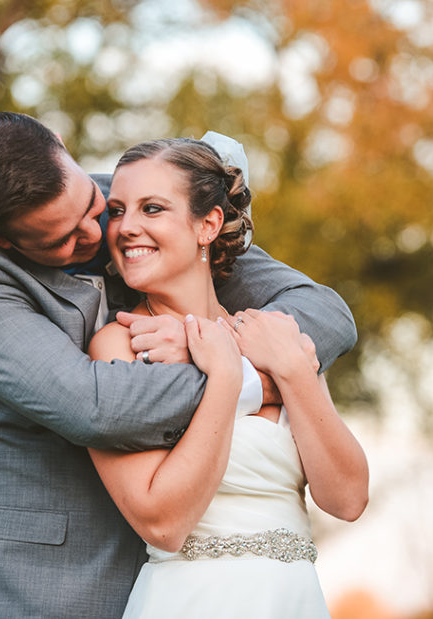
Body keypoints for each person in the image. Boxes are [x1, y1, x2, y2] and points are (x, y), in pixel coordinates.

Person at [0, 112, 358, 618]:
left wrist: (239, 352)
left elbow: (324, 314)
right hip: (41, 589)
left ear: (63, 148)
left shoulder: (137, 207)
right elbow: (95, 406)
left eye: (91, 207)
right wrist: (243, 377)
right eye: (57, 241)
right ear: (0, 239)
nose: (95, 234)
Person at [86, 137, 369, 617]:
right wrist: (222, 378)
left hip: (294, 600)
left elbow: (347, 498)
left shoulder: (271, 335)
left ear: (209, 223)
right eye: (117, 210)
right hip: (191, 600)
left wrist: (291, 373)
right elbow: (163, 524)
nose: (127, 227)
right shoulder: (120, 344)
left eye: (151, 208)